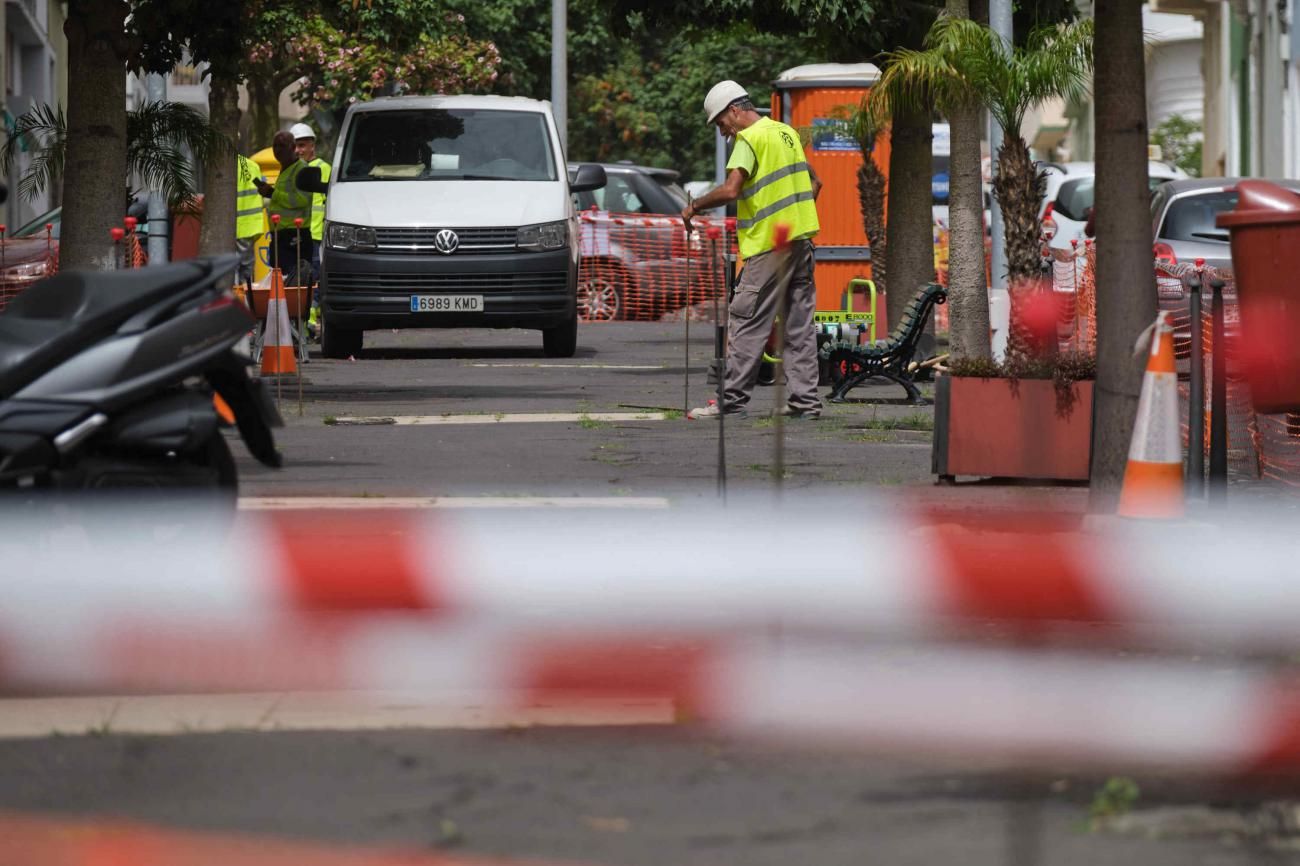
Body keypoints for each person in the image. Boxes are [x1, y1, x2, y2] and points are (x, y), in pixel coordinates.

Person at [683, 80, 823, 420]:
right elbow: (815, 182)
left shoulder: (748, 139)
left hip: (769, 247)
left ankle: (730, 402)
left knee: (746, 320)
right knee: (799, 326)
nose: (722, 132)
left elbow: (731, 191)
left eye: (720, 123)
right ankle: (806, 402)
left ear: (734, 110)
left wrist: (694, 206)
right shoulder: (786, 133)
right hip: (801, 242)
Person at [255, 131, 310, 287]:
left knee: (294, 283)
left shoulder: (301, 169)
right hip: (281, 234)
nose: (277, 150)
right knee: (281, 280)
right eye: (275, 146)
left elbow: (301, 199)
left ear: (292, 147)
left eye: (282, 146)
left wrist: (272, 193)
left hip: (295, 234)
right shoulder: (286, 168)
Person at [290, 122, 330, 330]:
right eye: (295, 146)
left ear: (312, 145)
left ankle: (311, 321)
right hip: (296, 236)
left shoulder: (324, 169)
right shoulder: (292, 170)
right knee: (298, 280)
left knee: (314, 280)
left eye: (302, 145)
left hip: (316, 237)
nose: (298, 150)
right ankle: (302, 320)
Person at [235, 153, 267, 292]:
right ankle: (246, 299)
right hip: (250, 226)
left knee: (233, 267)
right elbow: (263, 191)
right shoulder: (251, 165)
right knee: (246, 266)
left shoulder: (219, 166)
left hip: (234, 226)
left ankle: (237, 298)